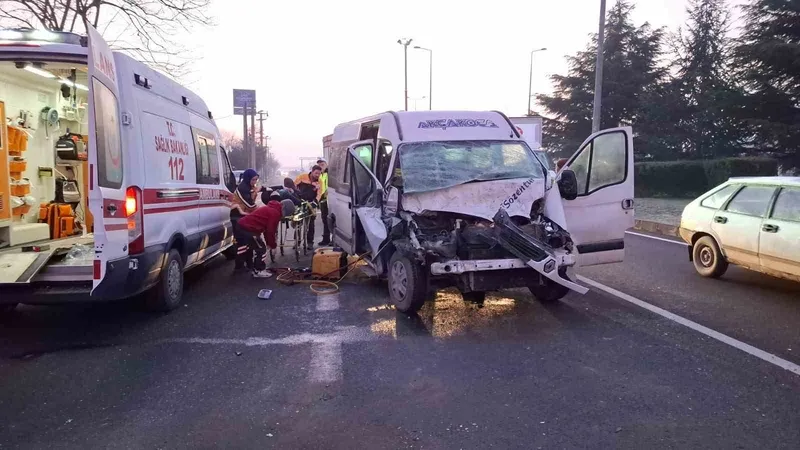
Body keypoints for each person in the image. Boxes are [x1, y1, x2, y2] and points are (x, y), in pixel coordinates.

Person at [234, 190, 283, 277]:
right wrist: (273, 246)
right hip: (248, 229)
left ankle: (241, 267)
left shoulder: (269, 208)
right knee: (261, 248)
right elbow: (270, 231)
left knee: (245, 246)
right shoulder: (275, 213)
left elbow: (266, 230)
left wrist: (269, 243)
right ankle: (258, 270)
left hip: (241, 225)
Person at [294, 165, 322, 250]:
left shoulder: (319, 182)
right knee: (298, 222)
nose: (317, 175)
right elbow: (294, 186)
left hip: (311, 203)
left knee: (311, 224)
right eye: (316, 173)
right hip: (300, 202)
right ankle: (297, 241)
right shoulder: (302, 177)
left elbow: (319, 194)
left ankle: (310, 242)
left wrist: (315, 202)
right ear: (312, 171)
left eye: (319, 174)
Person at [316, 158, 331, 246]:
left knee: (333, 221)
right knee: (325, 220)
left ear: (326, 164)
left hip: (331, 200)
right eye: (319, 165)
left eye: (322, 165)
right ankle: (326, 239)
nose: (320, 167)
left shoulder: (331, 173)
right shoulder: (320, 175)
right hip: (323, 201)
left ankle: (334, 239)